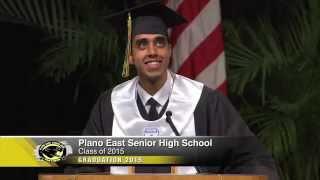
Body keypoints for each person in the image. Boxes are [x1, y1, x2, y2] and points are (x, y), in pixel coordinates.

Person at [82, 1, 279, 179]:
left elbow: (252, 160)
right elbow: (82, 165)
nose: (152, 51)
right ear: (131, 56)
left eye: (160, 42)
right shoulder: (110, 105)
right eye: (142, 44)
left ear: (169, 50)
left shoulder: (204, 102)